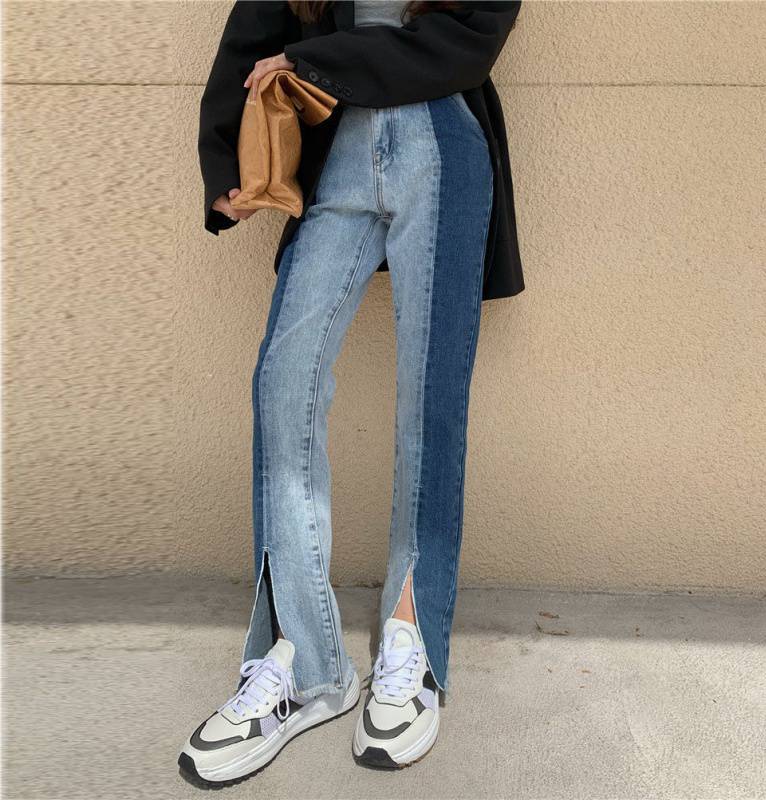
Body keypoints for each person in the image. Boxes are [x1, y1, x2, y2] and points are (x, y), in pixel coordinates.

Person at [179, 0, 523, 785]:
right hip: (337, 152)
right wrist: (225, 162)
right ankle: (305, 667)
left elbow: (468, 40)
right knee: (283, 383)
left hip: (443, 143)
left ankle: (411, 640)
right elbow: (255, 33)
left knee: (430, 403)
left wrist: (318, 64)